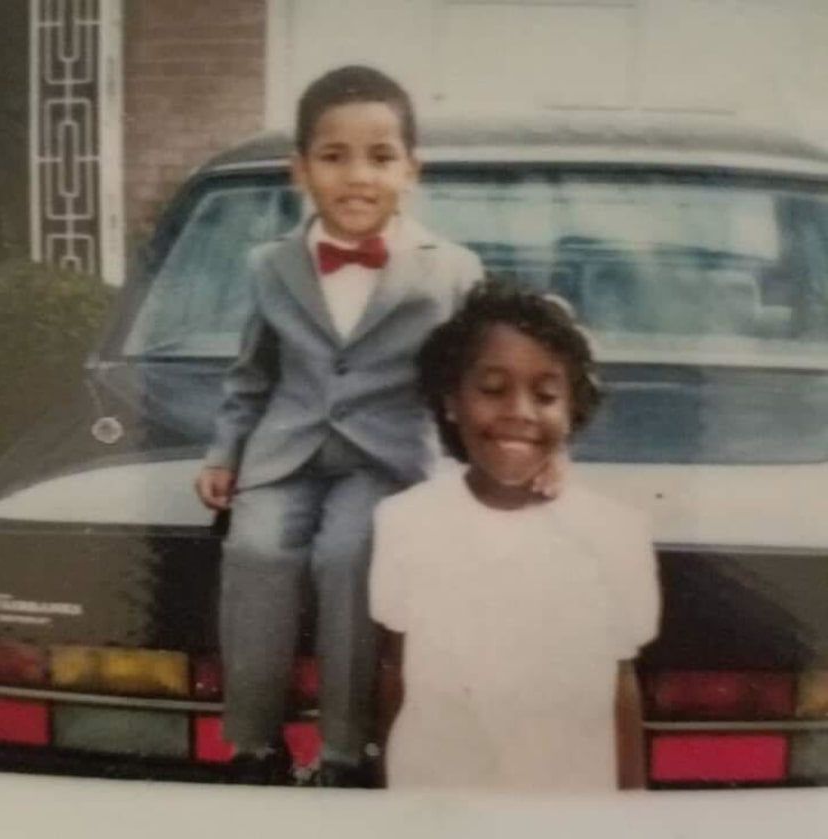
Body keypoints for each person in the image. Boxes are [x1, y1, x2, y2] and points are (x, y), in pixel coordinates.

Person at [195, 65, 483, 787]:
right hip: (284, 451)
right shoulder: (270, 264)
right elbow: (252, 374)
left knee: (348, 556)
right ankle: (253, 745)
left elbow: (481, 375)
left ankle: (345, 753)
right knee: (256, 550)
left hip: (384, 459)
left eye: (381, 157)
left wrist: (500, 457)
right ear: (300, 169)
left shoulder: (450, 270)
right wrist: (225, 450)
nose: (358, 177)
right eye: (333, 156)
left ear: (412, 170)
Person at [370, 280, 661, 792]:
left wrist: (630, 814)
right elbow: (396, 672)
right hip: (439, 808)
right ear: (452, 402)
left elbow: (622, 687)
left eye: (546, 394)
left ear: (572, 410)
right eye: (492, 388)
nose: (520, 412)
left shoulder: (616, 533)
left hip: (566, 809)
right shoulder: (405, 522)